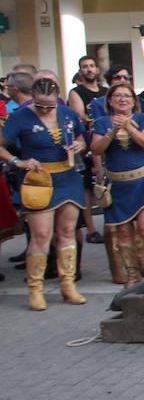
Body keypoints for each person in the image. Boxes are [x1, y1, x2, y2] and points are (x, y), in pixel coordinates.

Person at [0, 75, 87, 309]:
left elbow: (82, 136)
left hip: (68, 177)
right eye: (40, 105)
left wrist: (80, 144)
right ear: (33, 100)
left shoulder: (68, 113)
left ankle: (68, 285)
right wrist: (17, 161)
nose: (46, 110)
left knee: (67, 230)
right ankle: (35, 289)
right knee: (41, 236)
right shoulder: (20, 117)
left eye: (50, 105)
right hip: (39, 181)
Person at [89, 80, 144, 287]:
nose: (122, 99)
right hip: (118, 184)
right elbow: (96, 149)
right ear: (110, 100)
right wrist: (112, 130)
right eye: (117, 96)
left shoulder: (143, 118)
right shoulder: (102, 122)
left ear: (133, 101)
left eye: (126, 96)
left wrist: (128, 126)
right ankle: (133, 275)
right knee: (122, 231)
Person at [65, 54, 106, 244]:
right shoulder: (76, 92)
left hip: (107, 140)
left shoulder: (106, 91)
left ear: (97, 69)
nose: (89, 69)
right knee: (89, 189)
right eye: (85, 66)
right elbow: (80, 116)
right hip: (88, 143)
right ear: (80, 70)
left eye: (91, 66)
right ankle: (91, 229)